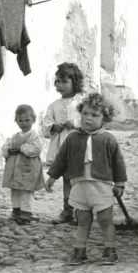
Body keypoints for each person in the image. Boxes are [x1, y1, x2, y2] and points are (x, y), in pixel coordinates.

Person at [45, 93, 127, 266]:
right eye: (85, 113)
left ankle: (110, 250)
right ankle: (79, 250)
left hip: (101, 187)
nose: (88, 118)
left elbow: (118, 162)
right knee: (82, 220)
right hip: (79, 187)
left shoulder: (108, 139)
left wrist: (120, 183)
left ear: (105, 118)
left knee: (105, 219)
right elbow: (62, 158)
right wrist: (52, 176)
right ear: (80, 113)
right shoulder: (72, 138)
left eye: (95, 115)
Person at [42, 62, 84, 224]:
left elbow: (89, 120)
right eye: (58, 81)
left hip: (78, 147)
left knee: (78, 179)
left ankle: (81, 210)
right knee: (67, 178)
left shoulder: (80, 103)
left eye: (64, 81)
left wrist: (75, 124)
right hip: (61, 147)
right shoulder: (54, 106)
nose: (60, 85)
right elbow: (45, 126)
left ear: (75, 82)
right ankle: (68, 210)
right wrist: (54, 126)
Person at [2, 104, 44, 225]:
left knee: (26, 190)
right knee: (15, 190)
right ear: (16, 121)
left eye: (27, 120)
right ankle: (16, 210)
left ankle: (26, 213)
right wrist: (8, 150)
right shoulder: (14, 136)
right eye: (20, 120)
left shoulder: (34, 136)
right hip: (15, 169)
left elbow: (37, 148)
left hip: (28, 168)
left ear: (33, 120)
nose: (24, 123)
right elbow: (6, 147)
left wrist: (22, 148)